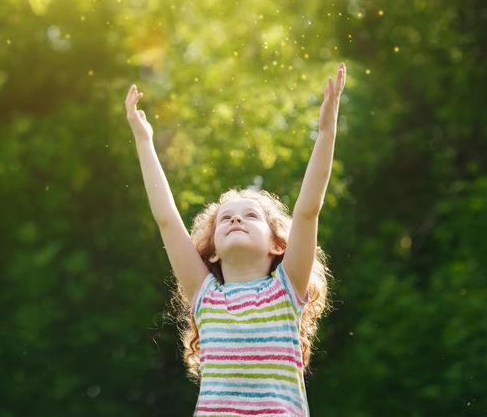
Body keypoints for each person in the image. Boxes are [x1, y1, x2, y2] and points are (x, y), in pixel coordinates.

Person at [124, 63, 346, 416]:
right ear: (212, 251)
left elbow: (307, 210)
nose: (235, 218)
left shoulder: (286, 291)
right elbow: (166, 220)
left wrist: (326, 130)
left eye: (250, 215)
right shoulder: (206, 297)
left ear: (277, 245)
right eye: (225, 218)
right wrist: (144, 140)